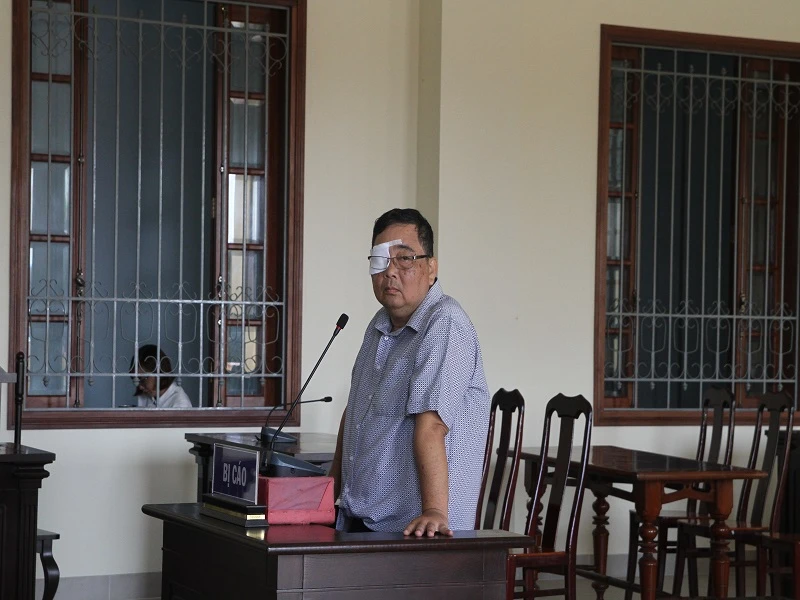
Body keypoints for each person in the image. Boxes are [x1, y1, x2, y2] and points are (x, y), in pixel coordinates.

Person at [331, 208, 490, 537]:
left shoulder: (444, 323)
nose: (390, 271)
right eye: (380, 260)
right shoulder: (378, 325)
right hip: (363, 521)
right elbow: (354, 414)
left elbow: (432, 424)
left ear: (431, 268)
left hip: (418, 532)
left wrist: (434, 511)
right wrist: (328, 495)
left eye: (404, 259)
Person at [131, 344, 192, 408]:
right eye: (136, 380)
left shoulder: (180, 403)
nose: (140, 387)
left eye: (142, 380)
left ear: (158, 373)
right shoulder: (147, 395)